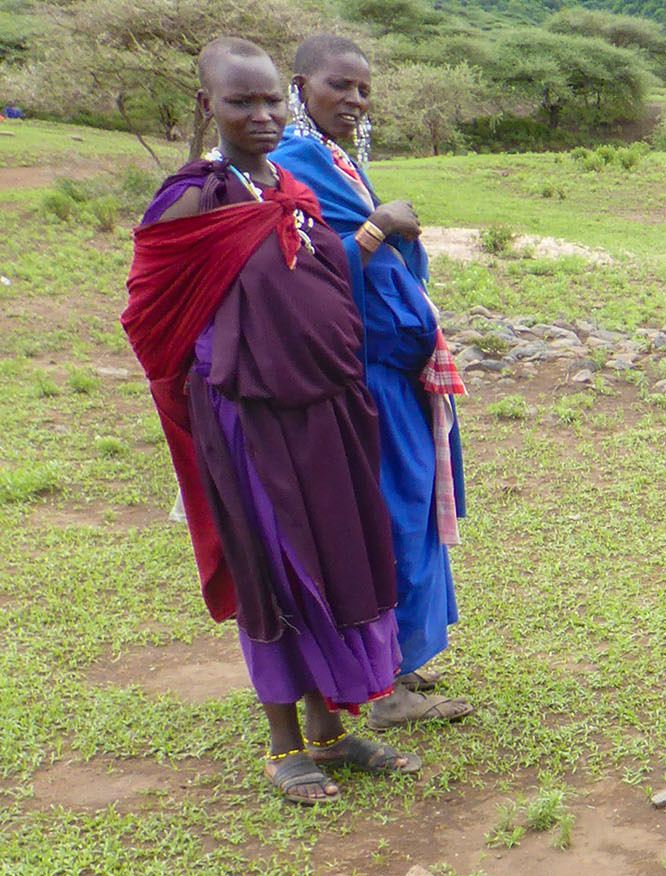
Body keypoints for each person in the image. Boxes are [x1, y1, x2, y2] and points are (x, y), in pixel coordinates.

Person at [122, 38, 420, 803]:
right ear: (207, 106)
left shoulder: (291, 185)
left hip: (327, 410)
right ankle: (283, 745)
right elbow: (150, 314)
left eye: (268, 103)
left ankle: (331, 730)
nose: (259, 116)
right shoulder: (191, 199)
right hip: (249, 421)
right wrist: (213, 378)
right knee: (276, 569)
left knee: (333, 560)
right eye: (239, 102)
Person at [272, 35, 474, 730]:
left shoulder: (336, 160)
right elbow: (306, 275)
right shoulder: (290, 165)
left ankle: (401, 658)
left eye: (364, 89)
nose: (355, 101)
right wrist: (377, 228)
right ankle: (381, 685)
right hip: (364, 378)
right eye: (340, 86)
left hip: (399, 371)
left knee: (416, 513)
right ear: (301, 87)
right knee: (386, 518)